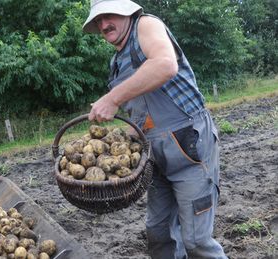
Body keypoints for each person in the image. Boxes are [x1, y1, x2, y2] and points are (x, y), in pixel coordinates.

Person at [82, 0, 227, 258]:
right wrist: (108, 148)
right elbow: (140, 115)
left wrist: (111, 98)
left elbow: (164, 64)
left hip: (188, 146)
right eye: (98, 20)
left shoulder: (146, 26)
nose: (104, 24)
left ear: (126, 11)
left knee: (196, 241)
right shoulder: (116, 62)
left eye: (109, 15)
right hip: (155, 157)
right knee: (159, 234)